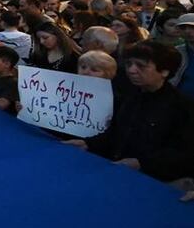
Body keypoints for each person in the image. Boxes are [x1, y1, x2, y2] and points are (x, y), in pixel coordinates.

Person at [78, 42, 194, 183]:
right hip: (115, 174)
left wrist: (142, 163)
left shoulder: (182, 107)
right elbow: (115, 132)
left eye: (141, 66)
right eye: (129, 64)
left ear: (164, 71)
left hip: (149, 183)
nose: (131, 70)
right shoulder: (129, 96)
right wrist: (88, 143)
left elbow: (183, 153)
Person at [174, 13, 194, 98]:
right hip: (182, 101)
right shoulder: (177, 51)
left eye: (192, 27)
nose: (187, 31)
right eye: (183, 28)